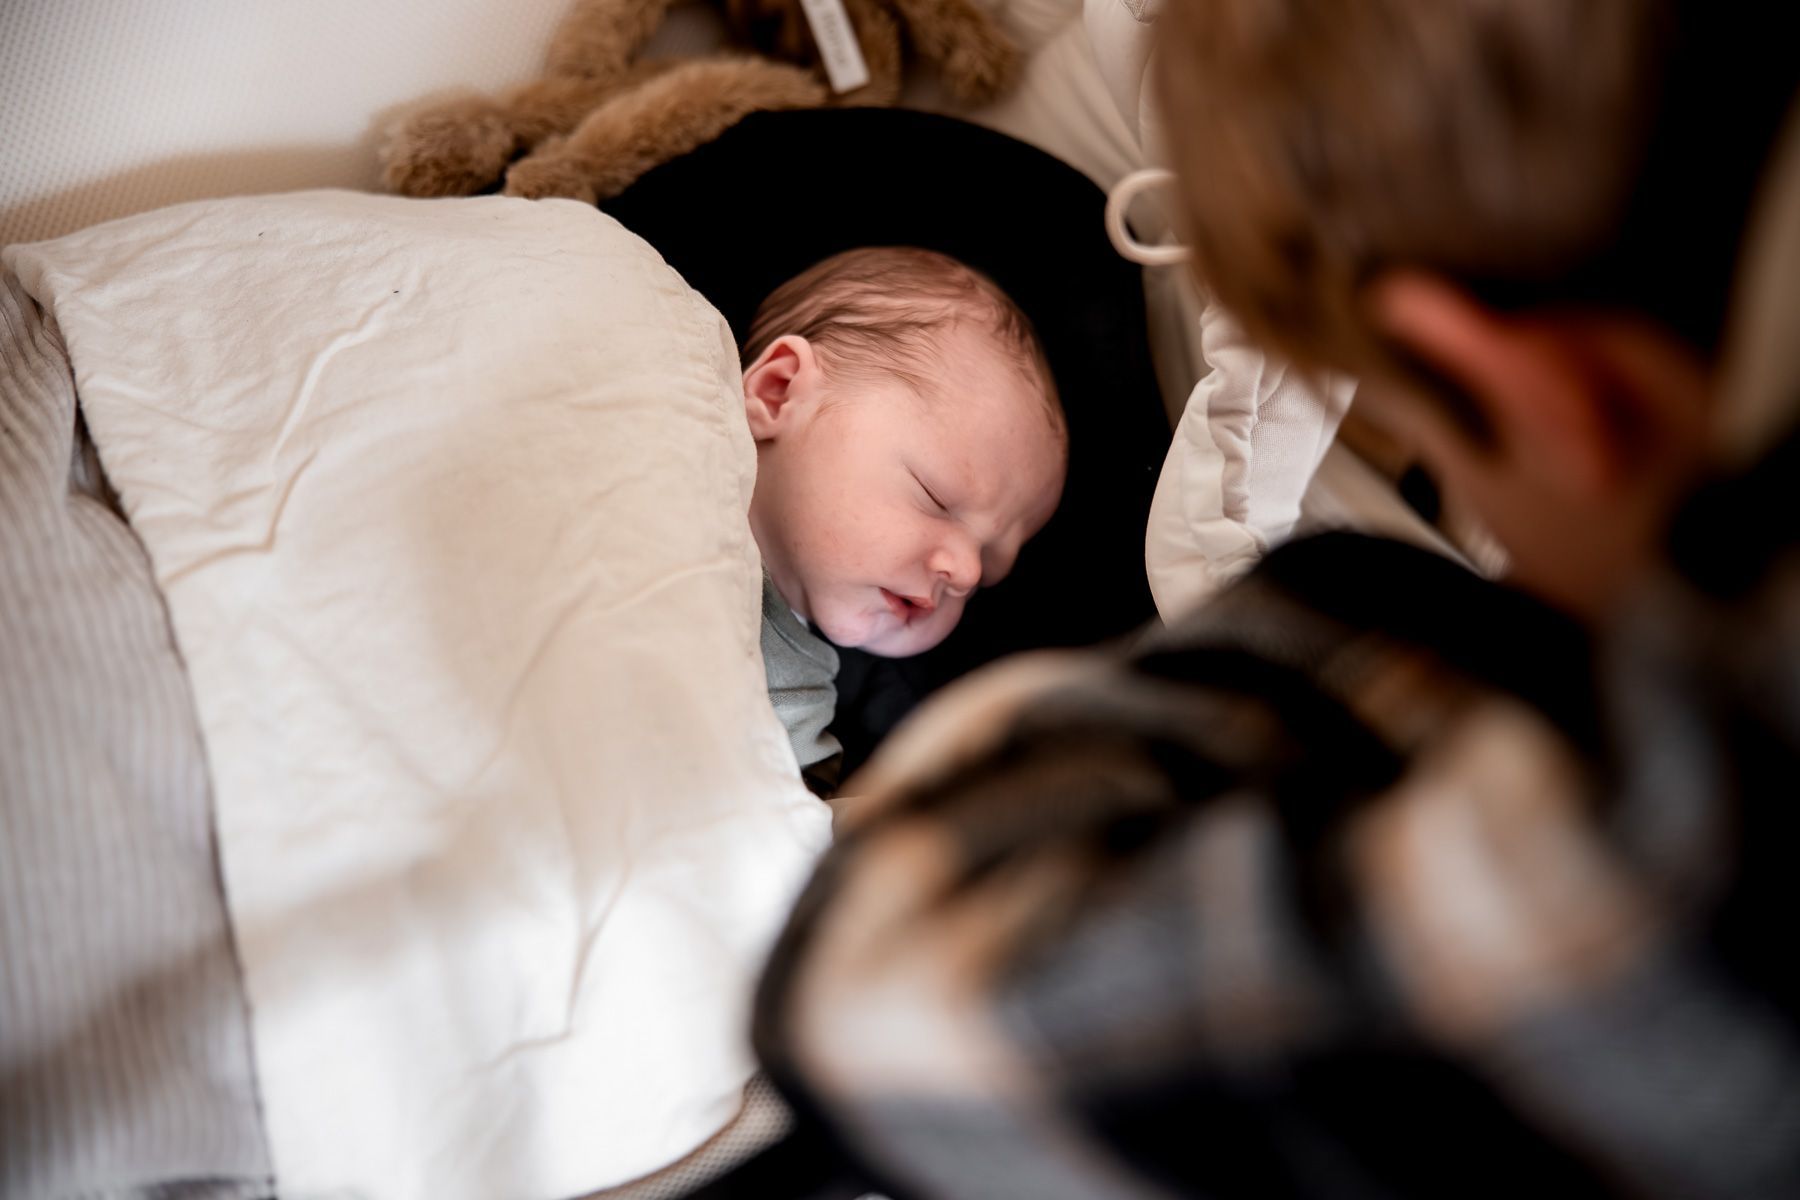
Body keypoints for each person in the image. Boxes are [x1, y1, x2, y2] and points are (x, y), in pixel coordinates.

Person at [730, 1, 1800, 1197]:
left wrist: (1335, 607)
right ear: (776, 387)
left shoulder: (1677, 852)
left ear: (1562, 408)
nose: (966, 571)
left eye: (1434, 449)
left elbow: (871, 996)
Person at [741, 246, 1068, 789]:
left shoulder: (802, 699)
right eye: (935, 497)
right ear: (778, 393)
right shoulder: (654, 434)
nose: (964, 573)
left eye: (989, 566)